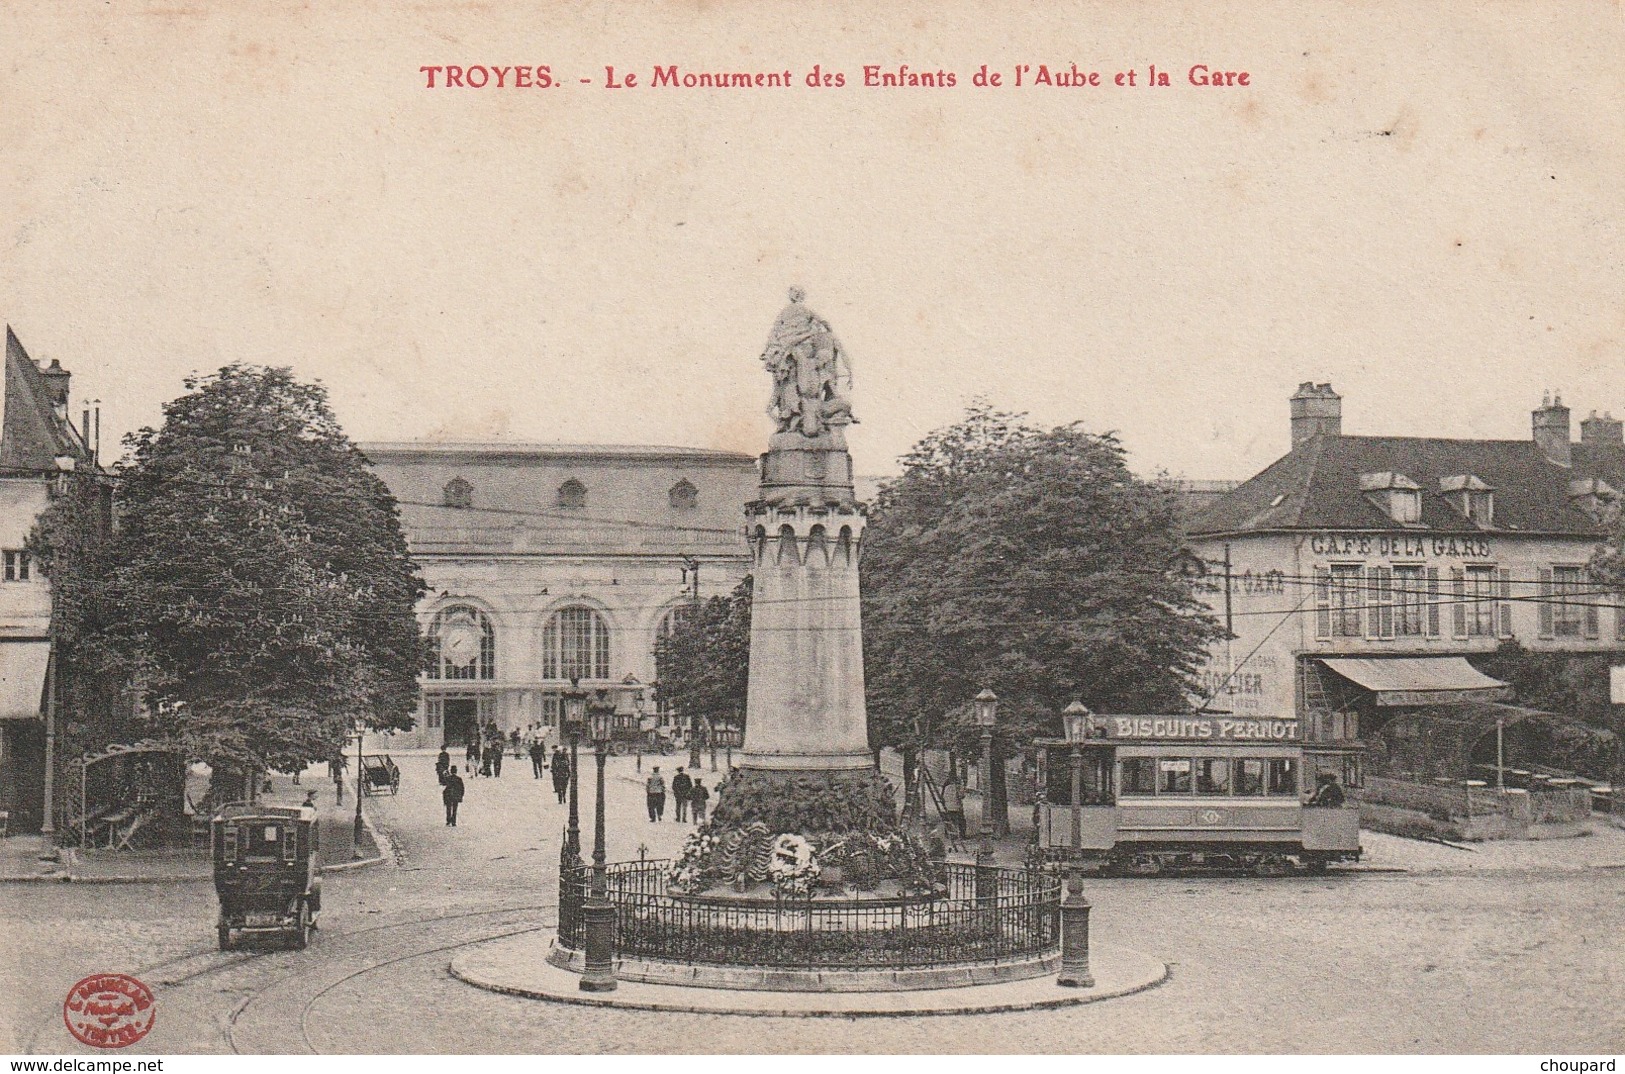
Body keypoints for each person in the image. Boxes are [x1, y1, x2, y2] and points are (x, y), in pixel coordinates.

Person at [940, 772, 967, 839]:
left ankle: (948, 835)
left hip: (948, 807)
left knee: (949, 820)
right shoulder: (958, 787)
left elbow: (942, 797)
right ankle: (962, 835)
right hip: (956, 807)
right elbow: (962, 796)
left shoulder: (946, 787)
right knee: (961, 821)